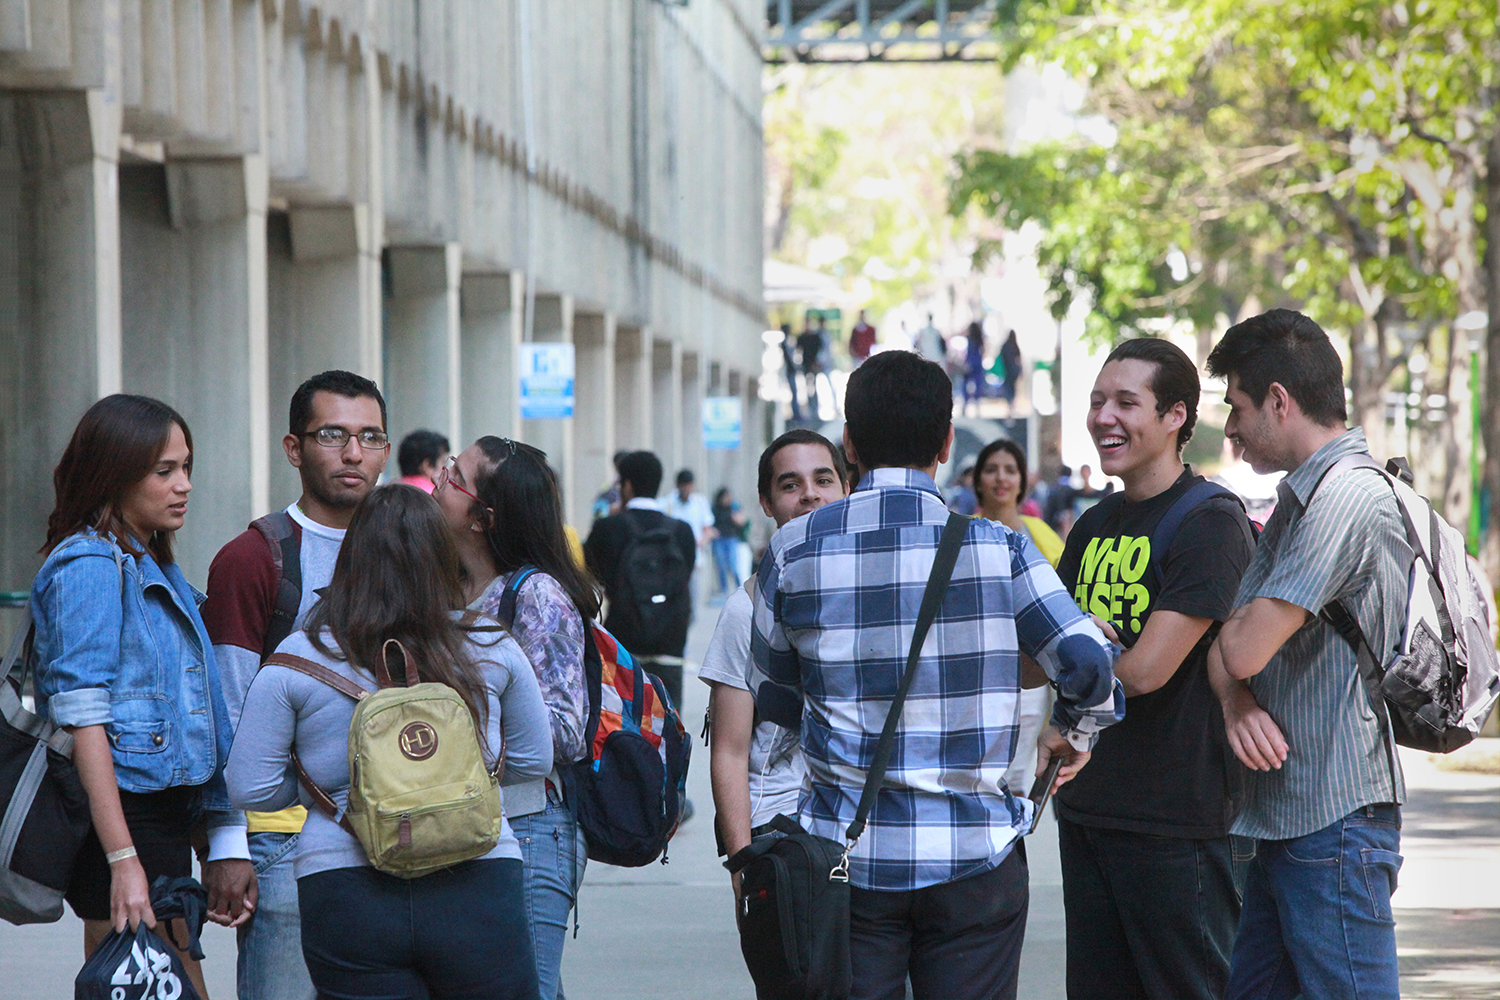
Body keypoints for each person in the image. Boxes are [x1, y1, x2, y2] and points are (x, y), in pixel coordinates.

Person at [749, 349, 1125, 1000]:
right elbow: (1089, 661)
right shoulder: (1000, 549)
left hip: (846, 860)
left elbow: (775, 677)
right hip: (975, 860)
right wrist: (1074, 732)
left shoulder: (794, 548)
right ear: (948, 443)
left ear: (849, 444)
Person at [226, 485, 551, 1000]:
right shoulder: (491, 645)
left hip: (344, 884)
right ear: (444, 559)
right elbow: (535, 760)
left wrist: (328, 785)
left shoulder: (296, 659)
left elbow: (250, 787)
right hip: (478, 876)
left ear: (350, 559)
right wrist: (447, 783)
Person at [1204, 309, 1409, 1000]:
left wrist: (1232, 660)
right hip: (1291, 818)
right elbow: (1227, 654)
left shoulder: (1345, 496)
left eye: (1236, 406)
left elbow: (1241, 645)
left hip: (1336, 823)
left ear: (1279, 401)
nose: (1230, 429)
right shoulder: (1301, 498)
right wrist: (1234, 702)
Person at [1053, 338, 1256, 1000]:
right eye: (1096, 401)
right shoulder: (1091, 525)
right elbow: (1039, 657)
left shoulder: (1211, 522)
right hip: (1088, 811)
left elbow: (1146, 671)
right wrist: (1084, 648)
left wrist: (1084, 648)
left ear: (1175, 416)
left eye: (1125, 403)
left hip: (1178, 825)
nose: (1104, 417)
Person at [31, 394, 239, 999]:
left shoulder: (147, 559)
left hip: (159, 816)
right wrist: (123, 858)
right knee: (140, 978)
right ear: (114, 474)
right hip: (123, 815)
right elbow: (84, 719)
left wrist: (213, 831)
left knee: (157, 981)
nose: (185, 486)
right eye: (164, 471)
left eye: (186, 467)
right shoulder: (92, 562)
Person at [202, 369, 390, 1000]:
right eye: (333, 434)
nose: (354, 453)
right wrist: (227, 842)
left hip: (404, 835)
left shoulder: (411, 552)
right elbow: (226, 709)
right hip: (283, 842)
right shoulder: (255, 558)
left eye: (371, 436)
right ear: (294, 448)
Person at [434, 436, 598, 1000]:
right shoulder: (448, 584)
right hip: (462, 825)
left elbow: (566, 731)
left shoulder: (536, 596)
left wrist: (460, 729)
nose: (438, 476)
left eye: (454, 474)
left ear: (483, 517)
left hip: (531, 827)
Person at [703, 431, 846, 901]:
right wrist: (742, 861)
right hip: (781, 834)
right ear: (766, 503)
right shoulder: (746, 610)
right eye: (790, 485)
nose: (809, 493)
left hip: (868, 831)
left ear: (846, 489)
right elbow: (728, 750)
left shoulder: (876, 595)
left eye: (823, 479)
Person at [974, 437, 1067, 797]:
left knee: (1018, 776)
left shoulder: (1041, 534)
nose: (1001, 478)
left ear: (1022, 480)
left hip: (1031, 673)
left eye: (1010, 470)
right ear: (978, 479)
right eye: (992, 469)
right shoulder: (959, 532)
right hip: (980, 672)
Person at [584, 451, 697, 709]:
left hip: (623, 641)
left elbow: (590, 572)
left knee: (621, 723)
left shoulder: (607, 528)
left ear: (627, 485)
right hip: (671, 640)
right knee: (668, 723)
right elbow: (686, 573)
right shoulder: (682, 532)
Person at [709, 487, 747, 598]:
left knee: (733, 565)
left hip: (731, 538)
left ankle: (740, 588)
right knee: (721, 564)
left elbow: (742, 521)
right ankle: (723, 589)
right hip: (719, 539)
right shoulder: (715, 508)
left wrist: (737, 518)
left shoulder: (733, 506)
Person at [395, 429, 450, 493]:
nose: (447, 470)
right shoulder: (433, 496)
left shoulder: (389, 493)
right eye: (443, 463)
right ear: (428, 466)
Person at [797, 320, 825, 416]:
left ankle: (815, 409)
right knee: (807, 387)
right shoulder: (802, 337)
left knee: (814, 386)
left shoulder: (815, 338)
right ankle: (810, 409)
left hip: (813, 364)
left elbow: (820, 350)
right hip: (806, 365)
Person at [963, 320, 987, 415]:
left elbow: (969, 353)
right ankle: (977, 406)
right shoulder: (979, 339)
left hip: (971, 363)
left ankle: (965, 406)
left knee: (966, 385)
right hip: (978, 363)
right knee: (978, 384)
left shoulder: (970, 339)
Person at [998, 330, 1022, 409]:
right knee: (1012, 387)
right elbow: (1018, 359)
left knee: (1008, 388)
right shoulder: (1015, 345)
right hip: (1013, 370)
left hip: (1008, 370)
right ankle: (1011, 404)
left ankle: (1009, 403)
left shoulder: (1006, 345)